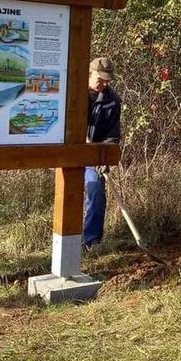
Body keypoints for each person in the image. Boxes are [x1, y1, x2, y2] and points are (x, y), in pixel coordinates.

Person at [83, 56, 122, 250]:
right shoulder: (72, 93)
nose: (103, 84)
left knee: (96, 191)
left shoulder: (112, 101)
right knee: (69, 196)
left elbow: (112, 134)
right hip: (69, 152)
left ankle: (91, 241)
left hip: (95, 155)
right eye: (100, 79)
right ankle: (69, 240)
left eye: (107, 80)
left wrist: (104, 158)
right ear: (89, 75)